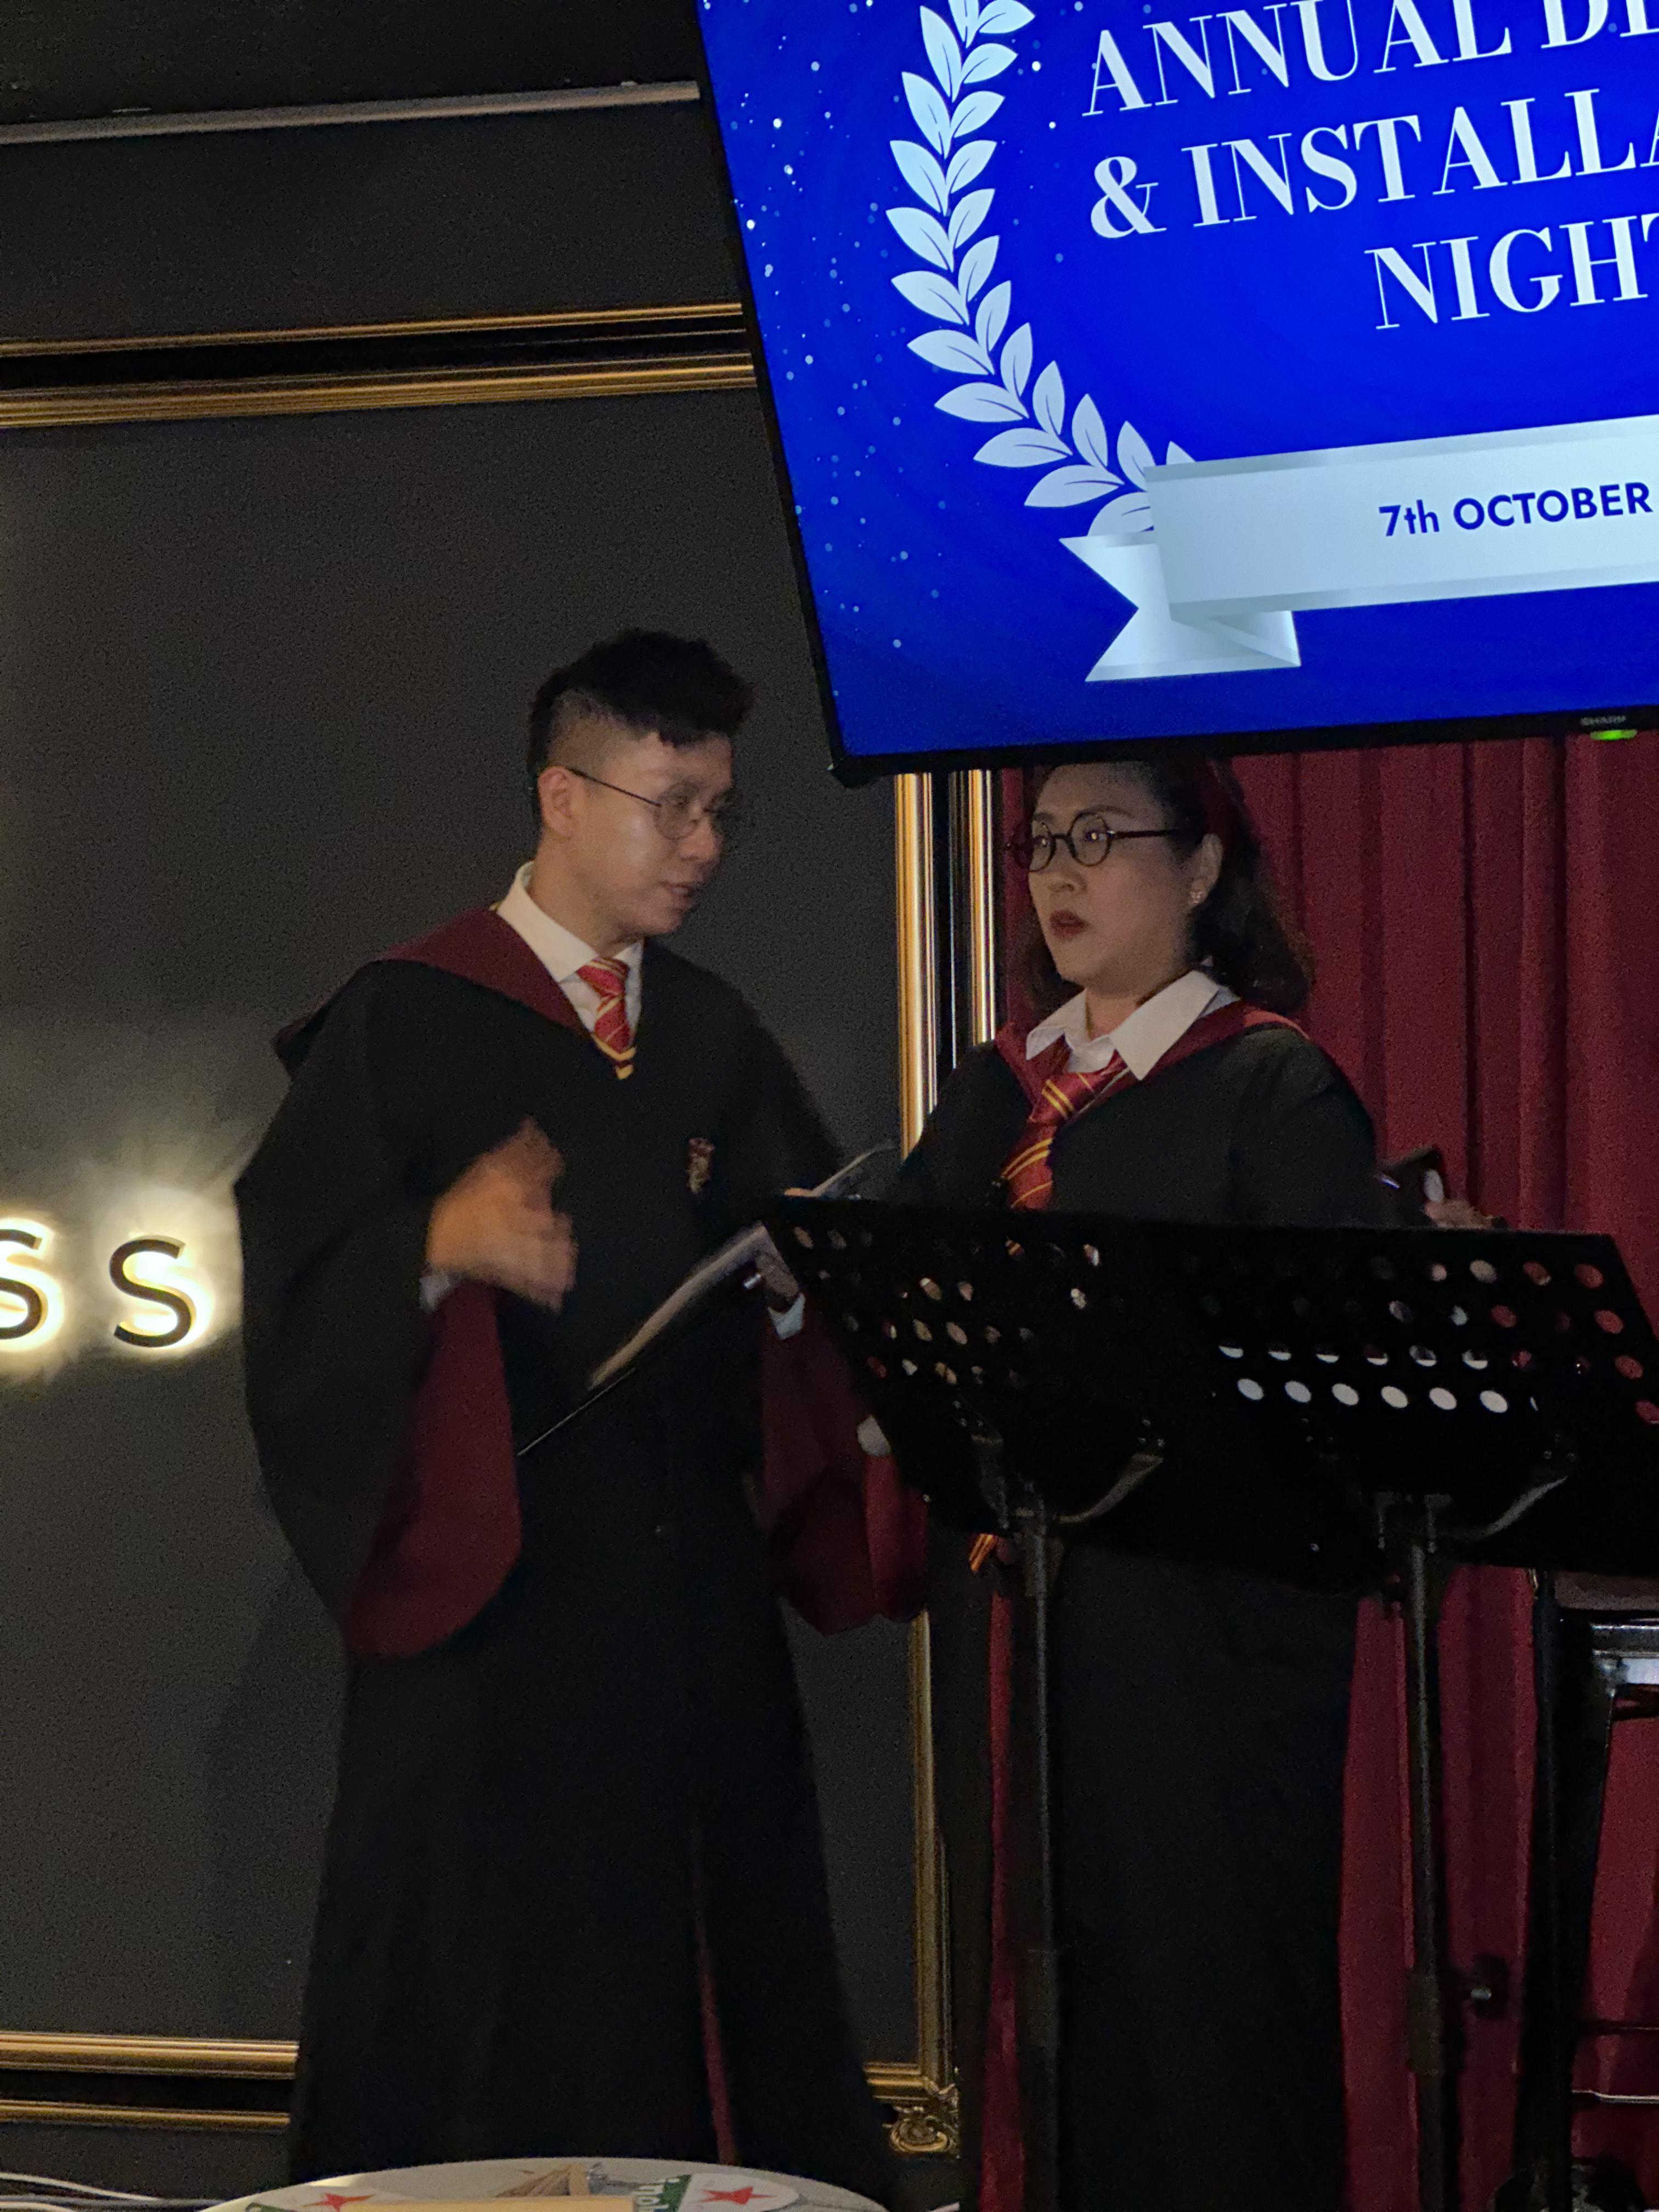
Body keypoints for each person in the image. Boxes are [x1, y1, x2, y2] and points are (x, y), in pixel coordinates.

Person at [235, 630, 894, 2199]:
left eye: (721, 811)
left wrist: (796, 1287)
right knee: (498, 2000)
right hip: (496, 1615)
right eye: (672, 805)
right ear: (563, 795)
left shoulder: (713, 1033)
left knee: (706, 1982)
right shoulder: (410, 1014)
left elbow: (808, 1287)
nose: (702, 846)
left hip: (688, 1609)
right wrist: (431, 1246)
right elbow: (297, 1284)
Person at [898, 749, 1383, 2212]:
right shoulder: (1002, 1092)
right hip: (1047, 1609)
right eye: (1043, 842)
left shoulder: (1271, 1085)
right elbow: (904, 1307)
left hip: (1214, 1631)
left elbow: (1323, 1394)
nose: (1059, 873)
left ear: (1202, 866)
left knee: (1203, 2004)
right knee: (1064, 1991)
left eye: (1100, 839)